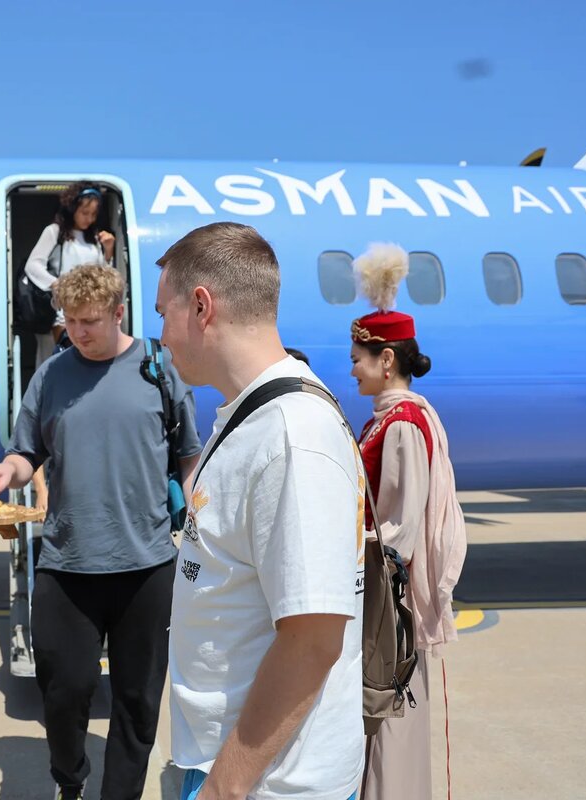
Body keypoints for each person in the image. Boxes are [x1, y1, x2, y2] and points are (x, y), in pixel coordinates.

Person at [0, 264, 201, 800]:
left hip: (145, 566)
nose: (78, 332)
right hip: (68, 563)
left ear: (119, 312)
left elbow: (188, 457)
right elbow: (27, 453)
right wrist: (7, 472)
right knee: (64, 689)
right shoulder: (52, 374)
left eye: (90, 321)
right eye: (70, 321)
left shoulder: (157, 367)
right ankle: (69, 779)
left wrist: (200, 521)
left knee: (137, 702)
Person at [155, 222, 366, 800]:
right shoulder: (251, 417)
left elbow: (313, 638)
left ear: (201, 306)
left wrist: (222, 788)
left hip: (266, 783)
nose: (162, 337)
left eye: (163, 315)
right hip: (230, 765)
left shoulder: (291, 436)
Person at [348, 243, 467, 800]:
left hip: (390, 604)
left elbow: (400, 526)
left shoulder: (401, 424)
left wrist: (361, 554)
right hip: (386, 595)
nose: (352, 370)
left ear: (386, 360)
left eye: (358, 358)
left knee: (388, 714)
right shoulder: (397, 418)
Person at [23, 181, 116, 366]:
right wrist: (58, 284)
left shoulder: (95, 238)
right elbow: (32, 265)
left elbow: (105, 276)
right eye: (84, 213)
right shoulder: (55, 232)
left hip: (91, 312)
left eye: (93, 214)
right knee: (57, 365)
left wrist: (108, 251)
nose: (89, 219)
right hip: (61, 313)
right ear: (72, 208)